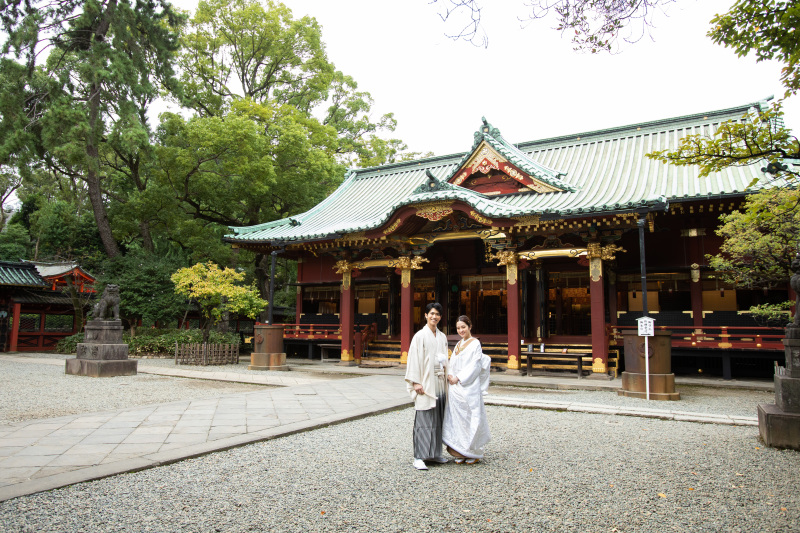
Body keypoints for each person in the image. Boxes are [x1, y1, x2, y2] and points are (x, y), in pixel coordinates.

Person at [404, 302, 450, 470]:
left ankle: (435, 453)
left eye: (437, 314)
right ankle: (419, 456)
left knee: (438, 418)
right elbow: (413, 359)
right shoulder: (419, 336)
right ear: (425, 315)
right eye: (431, 313)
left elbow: (446, 359)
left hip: (439, 381)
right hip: (425, 381)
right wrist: (416, 381)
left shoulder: (442, 337)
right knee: (424, 419)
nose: (434, 316)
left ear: (440, 317)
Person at [443, 315, 491, 464]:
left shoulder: (475, 343)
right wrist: (450, 374)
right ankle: (461, 451)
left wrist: (459, 378)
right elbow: (453, 362)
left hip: (468, 386)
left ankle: (474, 452)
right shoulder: (458, 344)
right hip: (455, 387)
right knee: (458, 420)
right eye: (458, 328)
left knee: (471, 418)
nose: (461, 330)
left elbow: (475, 365)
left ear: (470, 326)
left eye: (463, 327)